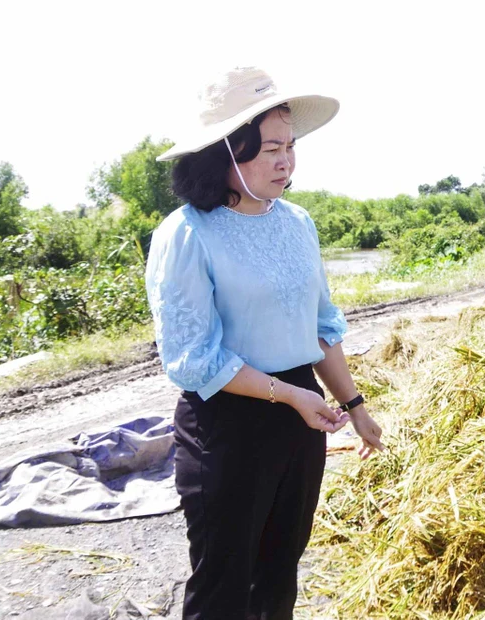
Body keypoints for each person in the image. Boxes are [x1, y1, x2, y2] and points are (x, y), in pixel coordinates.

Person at [145, 66, 384, 620]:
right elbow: (193, 357)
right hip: (227, 422)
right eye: (270, 148)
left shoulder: (298, 222)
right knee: (224, 584)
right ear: (224, 154)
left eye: (291, 147)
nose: (286, 161)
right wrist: (293, 396)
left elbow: (320, 324)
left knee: (279, 575)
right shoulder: (186, 233)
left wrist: (354, 404)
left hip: (300, 416)